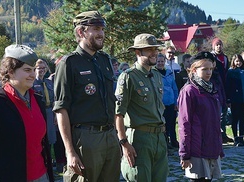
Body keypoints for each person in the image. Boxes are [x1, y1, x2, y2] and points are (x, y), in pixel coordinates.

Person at [53, 11, 121, 182]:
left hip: (110, 136)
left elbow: (110, 101)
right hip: (86, 138)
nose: (101, 34)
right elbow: (61, 110)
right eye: (96, 29)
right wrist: (69, 151)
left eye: (102, 29)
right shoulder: (68, 63)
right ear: (80, 32)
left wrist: (117, 137)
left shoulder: (105, 60)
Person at [0, 44, 54, 182]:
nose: (33, 74)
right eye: (27, 70)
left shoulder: (38, 100)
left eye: (33, 69)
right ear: (10, 71)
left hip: (42, 176)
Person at [115, 33, 168, 182]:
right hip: (140, 138)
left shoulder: (157, 75)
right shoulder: (128, 77)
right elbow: (118, 114)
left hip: (159, 137)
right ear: (138, 52)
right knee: (139, 178)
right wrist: (124, 143)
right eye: (149, 50)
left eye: (155, 49)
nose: (154, 53)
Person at [178, 51, 224, 182]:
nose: (209, 72)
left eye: (210, 69)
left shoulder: (211, 89)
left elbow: (215, 123)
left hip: (211, 148)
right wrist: (185, 154)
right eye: (204, 69)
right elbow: (184, 124)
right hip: (196, 151)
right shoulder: (189, 91)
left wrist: (219, 148)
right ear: (194, 70)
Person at [226, 54, 244, 146]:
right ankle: (236, 138)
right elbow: (228, 86)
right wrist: (228, 99)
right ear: (233, 61)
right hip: (235, 99)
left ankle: (241, 137)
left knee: (243, 118)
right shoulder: (231, 72)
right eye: (236, 61)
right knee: (235, 118)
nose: (238, 63)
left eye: (240, 61)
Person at [211, 37, 233, 143]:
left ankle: (223, 134)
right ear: (214, 46)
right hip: (215, 86)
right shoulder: (212, 57)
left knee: (224, 112)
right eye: (217, 45)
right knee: (217, 112)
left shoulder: (225, 58)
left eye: (220, 45)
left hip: (224, 86)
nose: (219, 47)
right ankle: (217, 135)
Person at [154, 53, 179, 148]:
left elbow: (175, 88)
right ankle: (165, 142)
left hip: (171, 102)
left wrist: (176, 102)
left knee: (172, 123)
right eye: (158, 61)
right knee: (163, 124)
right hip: (161, 104)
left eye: (162, 61)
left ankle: (173, 140)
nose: (160, 63)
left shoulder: (169, 72)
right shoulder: (154, 73)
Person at [33, 58, 57, 145]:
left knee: (51, 139)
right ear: (35, 69)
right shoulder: (32, 83)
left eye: (44, 68)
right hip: (39, 113)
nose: (42, 70)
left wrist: (55, 115)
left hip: (50, 112)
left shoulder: (49, 82)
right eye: (39, 68)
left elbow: (54, 99)